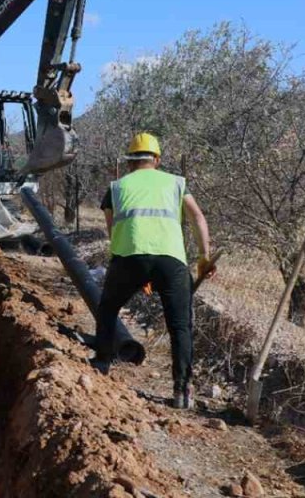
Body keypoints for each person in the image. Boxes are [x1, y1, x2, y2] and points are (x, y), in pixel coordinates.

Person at [91, 132, 213, 409]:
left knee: (108, 309)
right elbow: (197, 217)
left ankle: (101, 365)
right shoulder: (176, 183)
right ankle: (182, 391)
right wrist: (204, 257)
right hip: (171, 260)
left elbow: (114, 230)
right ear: (157, 159)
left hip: (128, 257)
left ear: (130, 161)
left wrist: (137, 271)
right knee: (180, 325)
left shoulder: (117, 187)